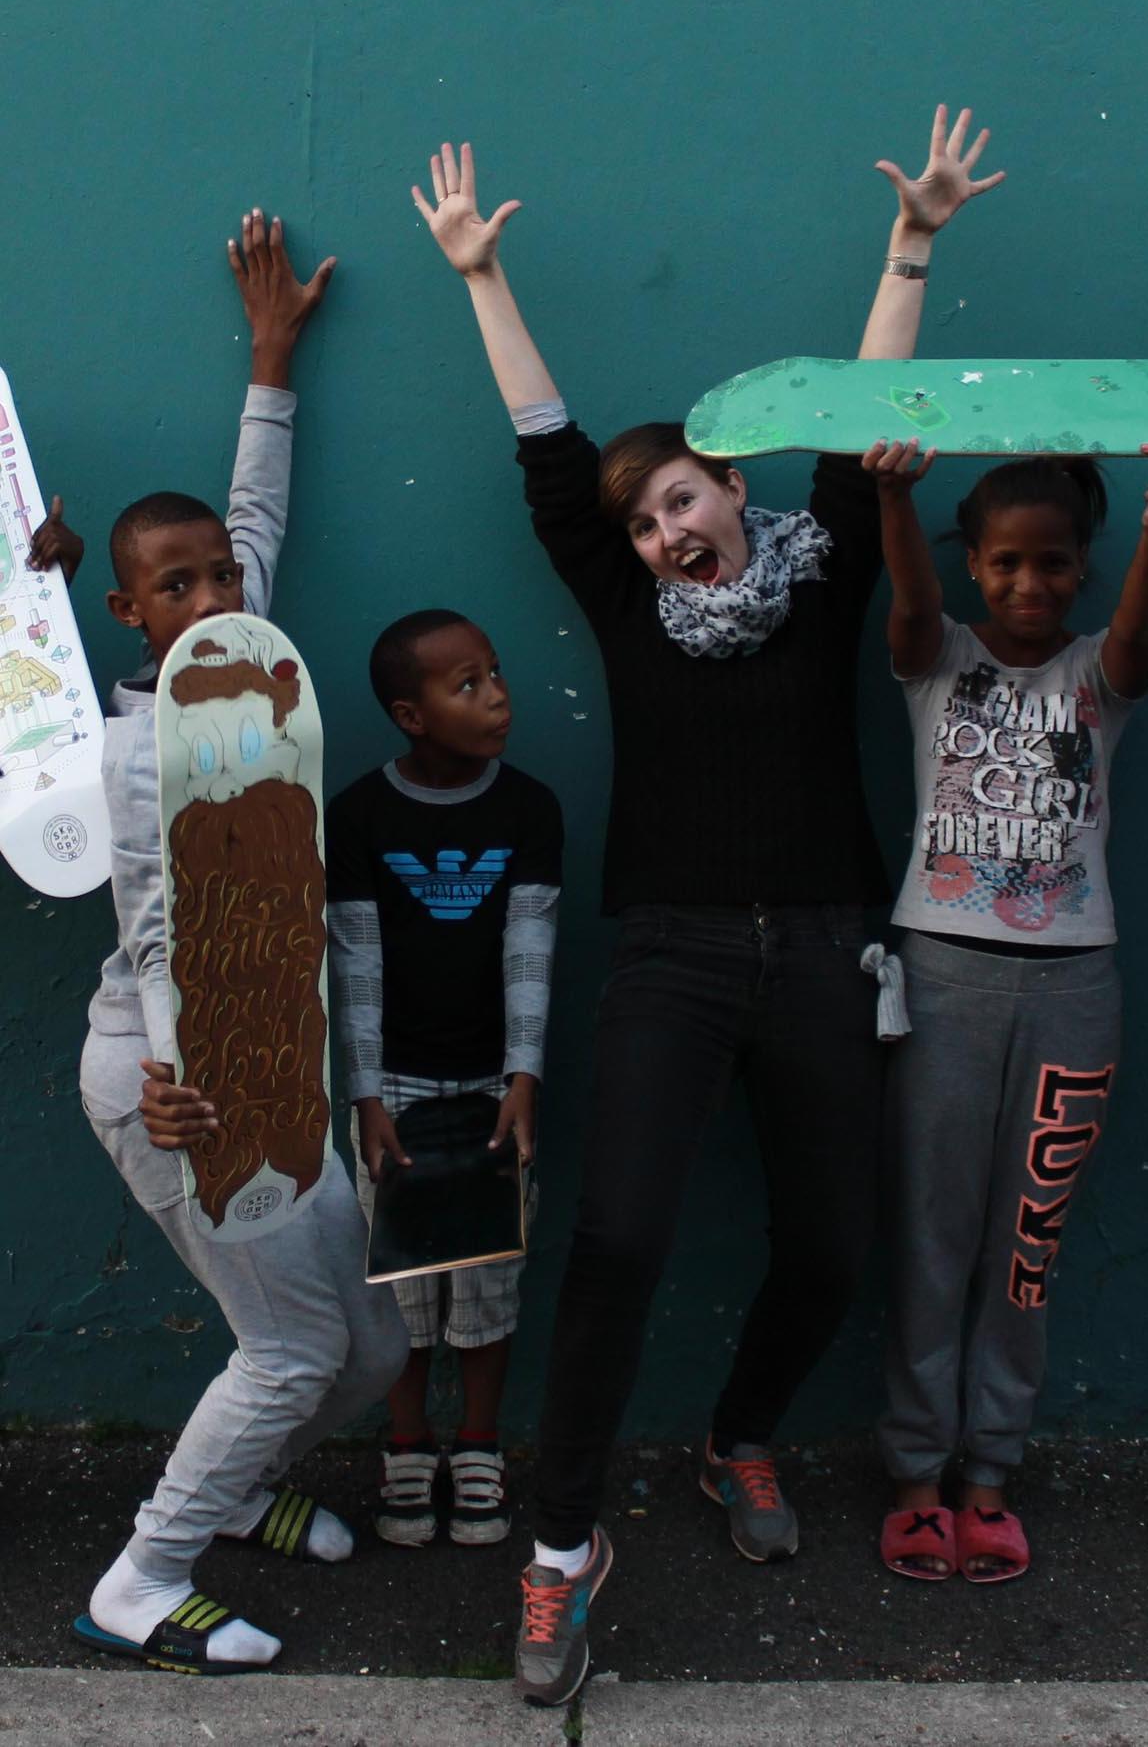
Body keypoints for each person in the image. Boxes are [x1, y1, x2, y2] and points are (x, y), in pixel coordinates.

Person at [413, 107, 1005, 1704]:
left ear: (728, 488)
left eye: (683, 498)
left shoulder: (823, 571)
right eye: (646, 523)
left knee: (829, 1244)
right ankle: (559, 1555)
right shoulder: (626, 600)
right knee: (616, 1243)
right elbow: (548, 455)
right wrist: (483, 276)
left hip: (823, 950)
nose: (668, 533)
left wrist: (915, 244)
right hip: (671, 957)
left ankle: (738, 1435)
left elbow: (865, 411)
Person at [74, 211, 409, 1675]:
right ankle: (140, 1579)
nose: (215, 598)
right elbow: (159, 938)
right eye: (181, 588)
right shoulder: (131, 754)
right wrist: (168, 1073)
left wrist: (271, 357)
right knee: (291, 1350)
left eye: (218, 576)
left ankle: (247, 1492)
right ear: (127, 614)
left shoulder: (246, 663)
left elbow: (253, 514)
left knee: (378, 1346)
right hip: (180, 1074)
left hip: (272, 1051)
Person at [865, 435, 1148, 1583]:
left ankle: (989, 1472)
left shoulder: (1098, 675)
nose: (1028, 586)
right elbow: (910, 600)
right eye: (1003, 565)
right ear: (972, 567)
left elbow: (1134, 632)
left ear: (1082, 568)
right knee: (931, 1239)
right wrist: (892, 496)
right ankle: (916, 1477)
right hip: (941, 979)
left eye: (1051, 566)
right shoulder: (936, 661)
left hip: (1074, 988)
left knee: (1023, 1244)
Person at [325, 608, 563, 1547]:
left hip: (494, 1088)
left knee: (489, 1280)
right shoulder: (359, 814)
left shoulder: (529, 808)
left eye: (496, 671)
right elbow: (354, 960)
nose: (497, 694)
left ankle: (477, 1444)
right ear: (409, 715)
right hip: (397, 1095)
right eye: (466, 684)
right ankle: (408, 1443)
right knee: (404, 1287)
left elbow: (532, 946)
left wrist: (524, 1077)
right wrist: (369, 1095)